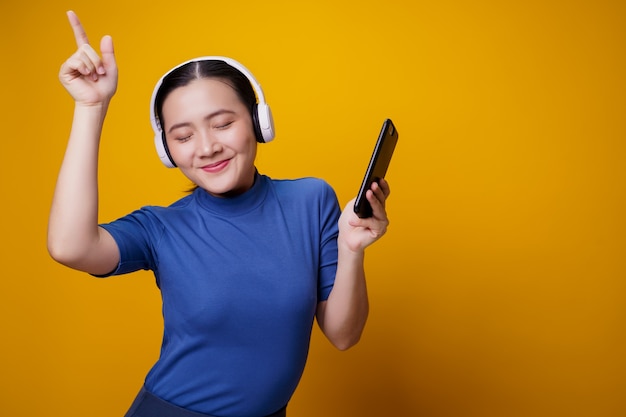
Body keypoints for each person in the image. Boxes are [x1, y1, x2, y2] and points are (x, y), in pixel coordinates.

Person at [48, 10, 391, 417]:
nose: (206, 146)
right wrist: (91, 107)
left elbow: (343, 334)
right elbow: (69, 246)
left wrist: (352, 249)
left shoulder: (311, 200)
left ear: (258, 122)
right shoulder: (162, 228)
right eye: (184, 136)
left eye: (223, 123)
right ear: (168, 151)